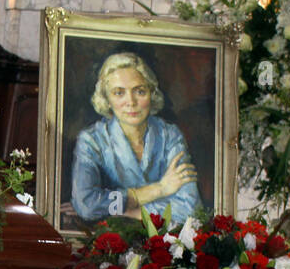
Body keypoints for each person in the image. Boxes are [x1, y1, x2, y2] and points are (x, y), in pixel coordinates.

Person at [70, 51, 201, 224]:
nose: (131, 102)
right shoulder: (91, 140)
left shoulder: (169, 135)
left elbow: (190, 208)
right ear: (106, 99)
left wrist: (124, 211)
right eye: (119, 93)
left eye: (139, 91)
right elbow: (87, 205)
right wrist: (159, 189)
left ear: (151, 93)